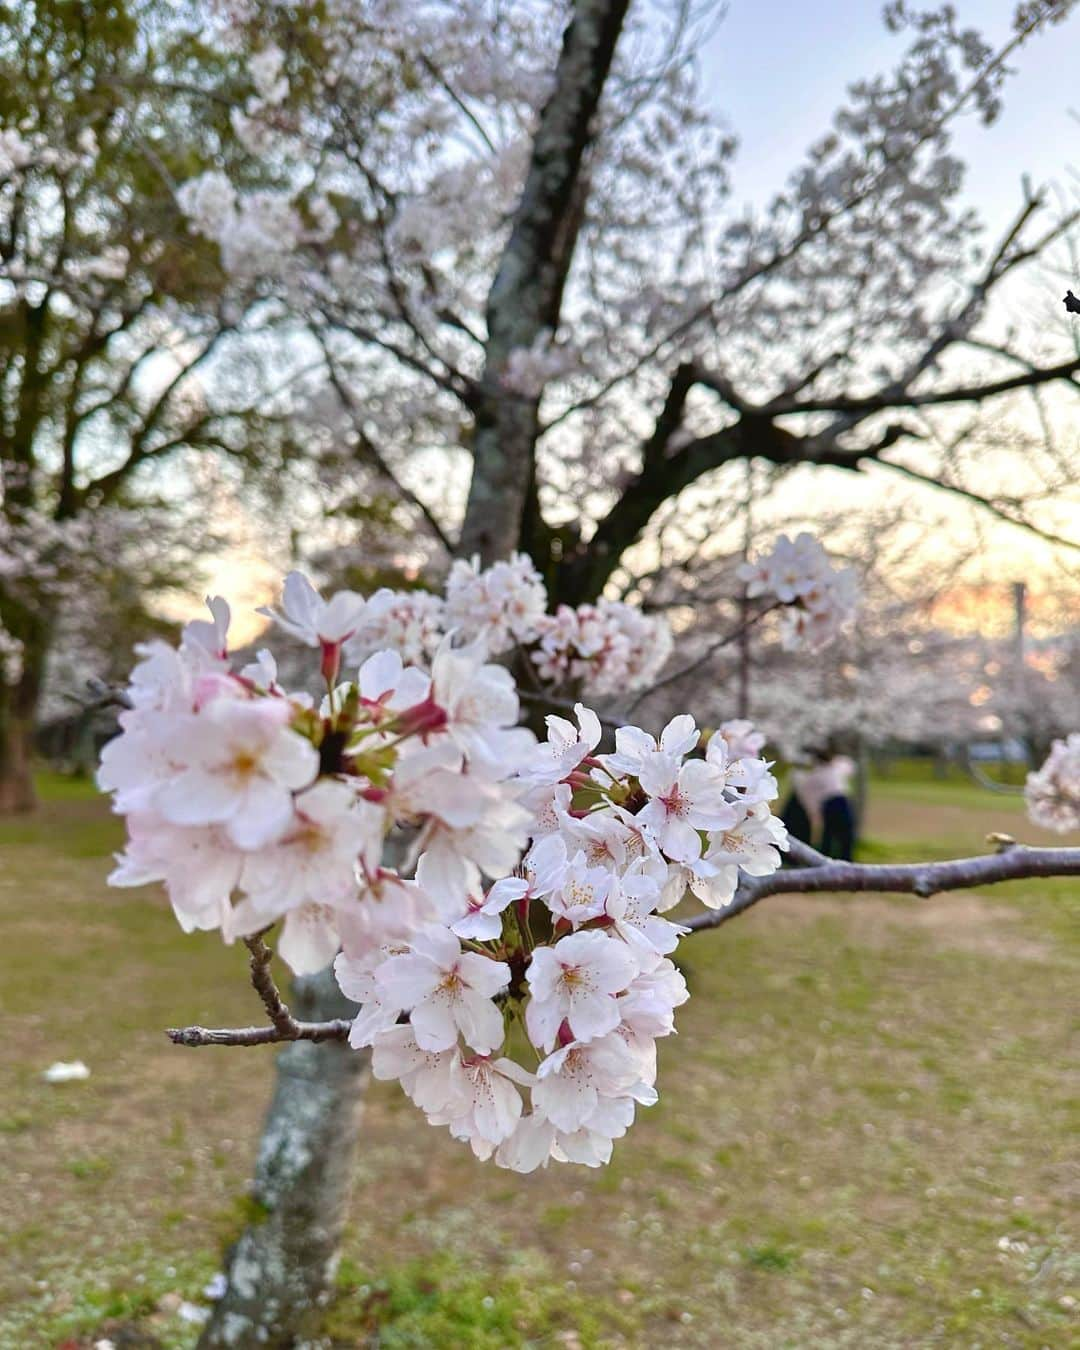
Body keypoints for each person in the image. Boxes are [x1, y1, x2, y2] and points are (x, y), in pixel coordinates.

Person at [792, 747, 857, 860]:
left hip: (830, 804)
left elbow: (806, 793)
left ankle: (827, 858)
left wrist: (813, 812)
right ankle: (845, 858)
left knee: (829, 834)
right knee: (843, 834)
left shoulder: (818, 773)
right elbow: (849, 765)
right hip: (840, 801)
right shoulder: (836, 768)